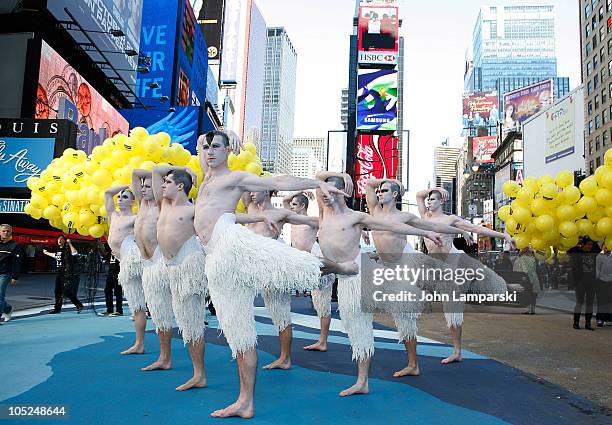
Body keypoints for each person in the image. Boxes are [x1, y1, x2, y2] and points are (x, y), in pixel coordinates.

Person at [194, 130, 352, 418]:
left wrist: (316, 182)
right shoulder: (207, 176)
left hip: (231, 242)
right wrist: (222, 133)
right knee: (239, 334)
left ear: (228, 150)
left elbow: (278, 181)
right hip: (215, 257)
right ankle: (245, 402)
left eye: (217, 147)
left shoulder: (234, 178)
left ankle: (340, 267)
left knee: (291, 263)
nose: (209, 151)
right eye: (207, 147)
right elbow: (201, 143)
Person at [315, 171, 446, 396]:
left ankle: (373, 377)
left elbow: (396, 228)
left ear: (343, 193)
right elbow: (319, 177)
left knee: (387, 320)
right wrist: (341, 175)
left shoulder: (359, 216)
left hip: (367, 272)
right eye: (324, 191)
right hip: (351, 275)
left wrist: (427, 233)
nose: (325, 194)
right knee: (356, 325)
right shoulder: (324, 211)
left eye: (331, 190)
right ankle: (372, 376)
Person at [364, 179, 471, 377]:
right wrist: (391, 181)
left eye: (385, 190)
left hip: (407, 265)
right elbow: (369, 184)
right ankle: (412, 363)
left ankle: (415, 364)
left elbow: (428, 228)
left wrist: (461, 231)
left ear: (395, 194)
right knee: (396, 314)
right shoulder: (374, 211)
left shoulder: (405, 216)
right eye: (379, 191)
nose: (379, 193)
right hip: (387, 269)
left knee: (406, 315)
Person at [242, 189, 353, 369]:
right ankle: (285, 355)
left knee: (319, 303)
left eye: (257, 189)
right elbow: (248, 189)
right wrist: (299, 190)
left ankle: (315, 344)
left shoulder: (287, 216)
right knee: (282, 310)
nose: (252, 193)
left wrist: (351, 229)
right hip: (278, 263)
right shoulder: (252, 210)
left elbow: (322, 223)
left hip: (305, 261)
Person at [416, 186, 523, 364]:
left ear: (442, 201)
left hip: (454, 259)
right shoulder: (425, 216)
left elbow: (477, 229)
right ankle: (457, 351)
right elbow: (419, 195)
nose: (429, 202)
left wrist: (503, 236)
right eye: (429, 200)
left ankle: (506, 286)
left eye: (433, 199)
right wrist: (435, 188)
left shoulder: (450, 219)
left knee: (481, 274)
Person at [152, 165, 209, 391]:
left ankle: (199, 374)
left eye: (168, 182)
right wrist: (182, 167)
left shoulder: (193, 209)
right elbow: (156, 171)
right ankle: (196, 372)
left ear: (180, 186)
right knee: (185, 322)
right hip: (171, 266)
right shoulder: (164, 204)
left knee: (192, 321)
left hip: (189, 262)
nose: (163, 185)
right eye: (164, 182)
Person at [132, 168, 174, 372]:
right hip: (146, 264)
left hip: (158, 262)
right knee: (157, 312)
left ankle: (165, 358)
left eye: (148, 186)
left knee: (162, 312)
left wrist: (180, 171)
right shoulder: (141, 205)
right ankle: (162, 355)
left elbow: (157, 174)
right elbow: (134, 172)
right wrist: (145, 175)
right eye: (142, 185)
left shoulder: (159, 205)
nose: (143, 188)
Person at [282, 191, 335, 352]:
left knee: (322, 302)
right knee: (317, 300)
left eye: (295, 204)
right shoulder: (293, 218)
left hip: (315, 258)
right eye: (292, 205)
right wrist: (300, 190)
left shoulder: (312, 221)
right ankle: (321, 340)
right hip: (301, 262)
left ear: (303, 206)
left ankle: (323, 341)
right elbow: (285, 200)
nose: (291, 206)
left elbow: (333, 227)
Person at [105, 185, 147, 354]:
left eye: (124, 197)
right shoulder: (113, 216)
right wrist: (124, 185)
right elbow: (108, 193)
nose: (120, 199)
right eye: (119, 197)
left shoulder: (135, 218)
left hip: (132, 258)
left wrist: (133, 187)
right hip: (122, 260)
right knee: (136, 305)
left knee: (138, 304)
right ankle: (139, 342)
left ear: (132, 201)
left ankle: (139, 343)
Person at [43, 235, 83, 314]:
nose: (59, 241)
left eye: (61, 239)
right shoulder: (58, 249)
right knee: (57, 291)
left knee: (66, 291)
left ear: (65, 241)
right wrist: (46, 253)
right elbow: (56, 256)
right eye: (58, 239)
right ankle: (57, 308)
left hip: (66, 272)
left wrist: (70, 243)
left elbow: (75, 253)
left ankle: (78, 304)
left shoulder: (67, 249)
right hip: (59, 272)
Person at [571, 238, 599, 330]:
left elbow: (597, 248)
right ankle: (576, 322)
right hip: (580, 283)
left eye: (591, 244)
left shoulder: (594, 252)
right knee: (579, 302)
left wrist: (592, 238)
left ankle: (588, 323)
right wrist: (579, 240)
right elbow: (570, 249)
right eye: (588, 244)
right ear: (583, 244)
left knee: (589, 303)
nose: (590, 246)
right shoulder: (577, 252)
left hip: (592, 282)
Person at [0, 224, 22, 324]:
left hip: (5, 274)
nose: (6, 233)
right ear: (0, 232)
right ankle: (8, 309)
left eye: (8, 231)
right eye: (4, 231)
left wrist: (15, 276)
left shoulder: (15, 245)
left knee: (0, 296)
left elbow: (17, 262)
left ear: (11, 232)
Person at [513, 247, 541, 315]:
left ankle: (529, 309)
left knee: (527, 294)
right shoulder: (533, 259)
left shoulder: (521, 259)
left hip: (526, 278)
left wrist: (523, 277)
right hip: (534, 278)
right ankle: (533, 309)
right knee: (533, 294)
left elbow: (524, 269)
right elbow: (535, 269)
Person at [99, 246, 123, 317]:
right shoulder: (110, 251)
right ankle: (109, 309)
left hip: (118, 273)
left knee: (118, 292)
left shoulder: (120, 250)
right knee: (107, 290)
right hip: (110, 273)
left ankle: (119, 310)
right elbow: (105, 257)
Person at [595, 244, 612, 326]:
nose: (606, 248)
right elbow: (597, 269)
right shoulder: (599, 256)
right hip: (601, 281)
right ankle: (600, 319)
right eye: (604, 247)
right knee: (601, 301)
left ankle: (608, 319)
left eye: (607, 246)